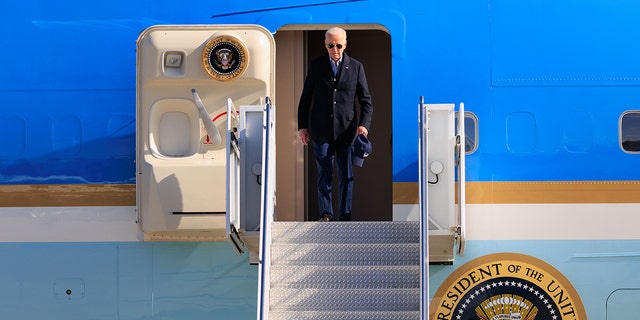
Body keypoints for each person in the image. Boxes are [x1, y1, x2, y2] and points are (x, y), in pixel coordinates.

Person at [297, 27, 373, 222]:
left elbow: (366, 102)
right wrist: (302, 126)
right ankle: (326, 213)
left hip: (347, 131)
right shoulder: (316, 66)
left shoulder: (356, 67)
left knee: (346, 176)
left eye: (339, 45)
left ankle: (345, 215)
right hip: (321, 129)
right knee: (324, 173)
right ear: (325, 45)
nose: (335, 49)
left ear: (345, 44)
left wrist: (363, 126)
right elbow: (305, 99)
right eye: (331, 45)